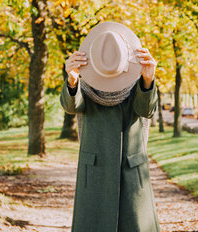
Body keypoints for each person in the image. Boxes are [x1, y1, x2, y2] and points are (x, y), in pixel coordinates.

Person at [60, 22, 160, 232]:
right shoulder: (84, 80)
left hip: (131, 168)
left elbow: (146, 111)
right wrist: (71, 80)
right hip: (95, 170)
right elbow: (71, 107)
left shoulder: (137, 78)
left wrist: (148, 81)